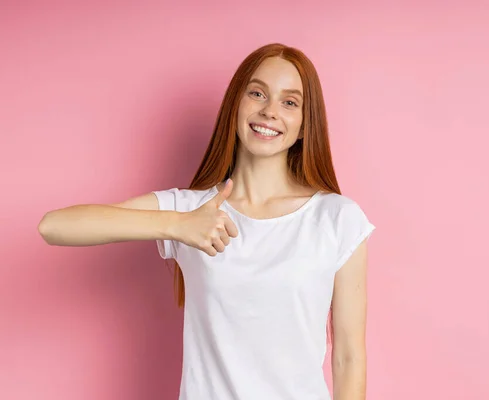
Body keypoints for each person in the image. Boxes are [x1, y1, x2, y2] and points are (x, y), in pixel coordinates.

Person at [38, 43, 375, 400]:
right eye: (257, 93)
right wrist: (177, 225)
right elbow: (55, 226)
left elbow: (349, 358)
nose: (270, 111)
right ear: (236, 105)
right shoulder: (190, 210)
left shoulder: (338, 219)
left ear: (305, 126)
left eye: (289, 102)